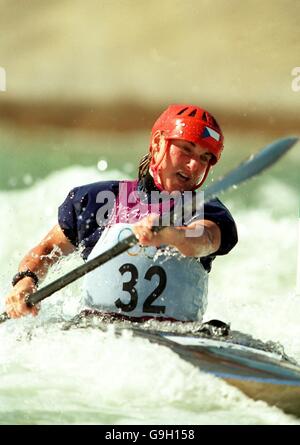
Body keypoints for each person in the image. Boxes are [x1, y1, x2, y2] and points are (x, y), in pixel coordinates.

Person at [5, 104, 238, 322]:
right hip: (99, 329)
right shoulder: (97, 201)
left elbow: (205, 239)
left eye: (205, 158)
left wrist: (170, 235)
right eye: (186, 150)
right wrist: (26, 281)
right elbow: (46, 250)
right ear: (158, 144)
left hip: (178, 334)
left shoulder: (208, 210)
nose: (195, 166)